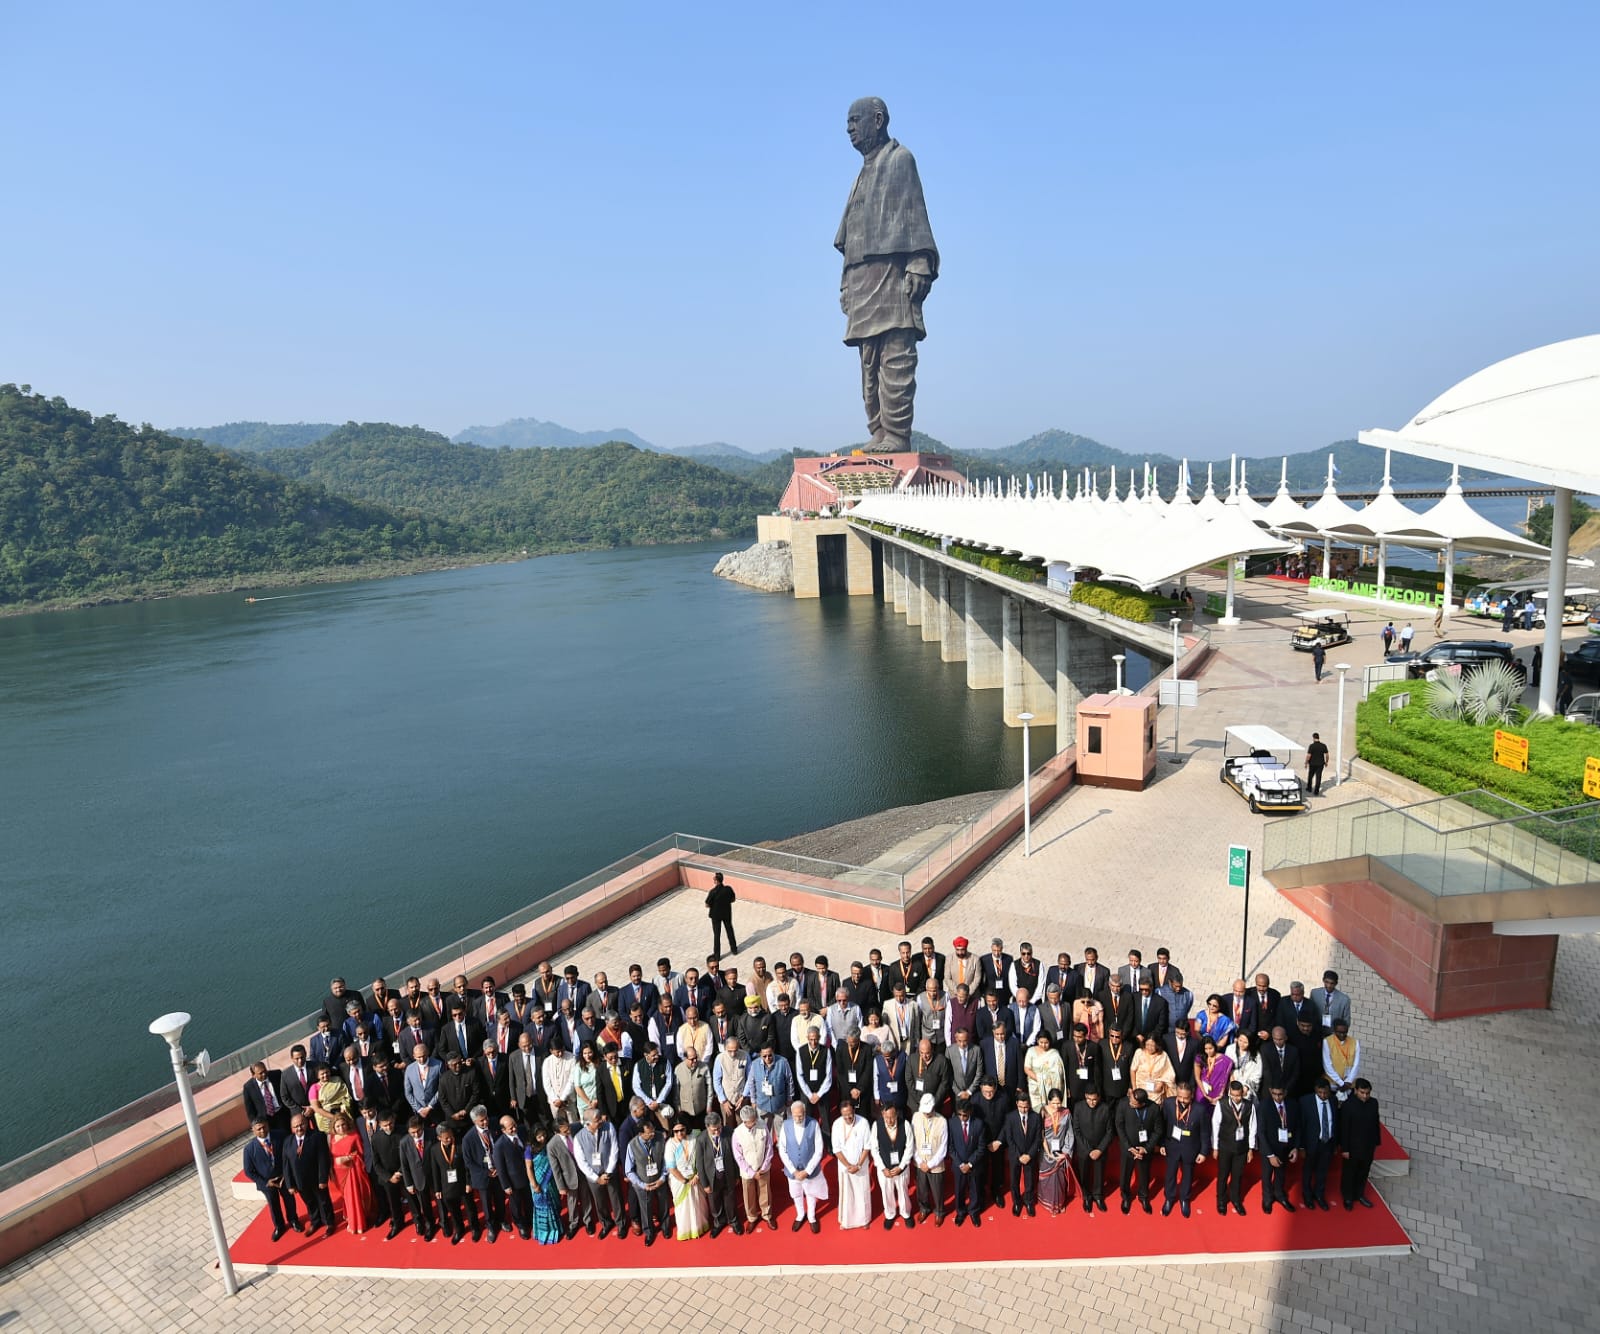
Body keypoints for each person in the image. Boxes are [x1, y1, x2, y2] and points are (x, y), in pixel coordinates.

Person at [836, 95, 939, 450]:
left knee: (895, 353)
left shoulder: (900, 161)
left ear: (877, 120)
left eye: (855, 120)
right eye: (847, 122)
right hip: (862, 278)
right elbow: (848, 235)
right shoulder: (860, 175)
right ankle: (879, 430)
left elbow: (915, 215)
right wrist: (846, 283)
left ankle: (896, 433)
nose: (849, 127)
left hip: (892, 275)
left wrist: (919, 262)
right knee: (869, 362)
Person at [243, 1118, 298, 1241]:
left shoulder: (281, 1136)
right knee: (273, 1204)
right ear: (253, 1130)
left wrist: (287, 1174)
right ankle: (279, 1226)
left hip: (284, 1177)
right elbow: (248, 1171)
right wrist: (265, 1182)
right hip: (267, 1183)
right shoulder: (249, 1149)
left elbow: (290, 1155)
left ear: (268, 1126)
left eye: (264, 1127)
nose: (262, 1130)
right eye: (259, 1129)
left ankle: (293, 1220)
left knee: (289, 1199)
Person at [778, 1099, 828, 1233]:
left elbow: (819, 1149)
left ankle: (811, 1216)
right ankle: (800, 1214)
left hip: (809, 1170)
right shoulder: (786, 1125)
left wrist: (808, 1170)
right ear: (791, 1114)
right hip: (792, 1171)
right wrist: (793, 1171)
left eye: (800, 1115)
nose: (798, 1118)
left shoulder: (814, 1124)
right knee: (796, 1193)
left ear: (805, 1113)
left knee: (811, 1192)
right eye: (795, 1116)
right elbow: (782, 1149)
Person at [283, 1112, 335, 1236]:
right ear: (292, 1128)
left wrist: (323, 1179)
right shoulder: (288, 1141)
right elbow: (286, 1165)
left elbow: (323, 1159)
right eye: (296, 1126)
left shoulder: (317, 1136)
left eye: (301, 1125)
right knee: (309, 1202)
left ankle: (329, 1222)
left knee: (323, 1201)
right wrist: (290, 1184)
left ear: (307, 1124)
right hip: (300, 1181)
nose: (299, 1128)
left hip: (316, 1179)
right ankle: (315, 1221)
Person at [575, 1108, 624, 1241]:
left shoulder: (609, 1127)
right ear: (588, 1123)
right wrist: (596, 1178)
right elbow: (581, 1162)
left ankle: (621, 1224)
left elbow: (614, 1149)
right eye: (597, 1121)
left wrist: (608, 1171)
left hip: (609, 1171)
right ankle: (606, 1223)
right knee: (600, 1202)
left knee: (616, 1200)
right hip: (593, 1176)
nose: (601, 1122)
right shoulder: (579, 1137)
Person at [1159, 1083, 1207, 1217]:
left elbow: (1204, 1132)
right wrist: (1162, 1144)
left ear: (1191, 1095)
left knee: (1188, 1176)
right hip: (1171, 1146)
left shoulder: (1200, 1110)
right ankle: (1169, 1198)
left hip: (1190, 1148)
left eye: (1185, 1098)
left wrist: (1203, 1152)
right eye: (1179, 1097)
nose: (1182, 1100)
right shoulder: (1168, 1104)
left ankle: (1185, 1199)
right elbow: (1162, 1125)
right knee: (1170, 1174)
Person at [1211, 1081, 1256, 1216]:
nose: (1236, 1098)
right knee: (1223, 1175)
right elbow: (1215, 1125)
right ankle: (1221, 1200)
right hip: (1225, 1146)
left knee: (1237, 1175)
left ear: (1243, 1093)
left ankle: (1236, 1200)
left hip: (1241, 1147)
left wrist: (1251, 1148)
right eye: (1234, 1095)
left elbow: (1253, 1127)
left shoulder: (1249, 1106)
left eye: (1238, 1095)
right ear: (1230, 1093)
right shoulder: (1222, 1104)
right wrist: (1215, 1147)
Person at [695, 1111, 743, 1237]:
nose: (717, 1132)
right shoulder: (701, 1139)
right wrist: (705, 1183)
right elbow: (699, 1164)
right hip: (712, 1177)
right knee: (714, 1203)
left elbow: (735, 1156)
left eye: (719, 1128)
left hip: (728, 1174)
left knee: (730, 1200)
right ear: (707, 1127)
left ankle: (733, 1221)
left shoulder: (729, 1132)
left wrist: (737, 1175)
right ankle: (718, 1223)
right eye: (714, 1130)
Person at [625, 1116, 671, 1246]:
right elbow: (628, 1170)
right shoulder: (632, 1145)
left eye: (653, 1130)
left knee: (664, 1204)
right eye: (649, 1133)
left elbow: (666, 1161)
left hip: (659, 1180)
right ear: (640, 1134)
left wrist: (662, 1178)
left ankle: (665, 1227)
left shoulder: (660, 1138)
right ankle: (649, 1232)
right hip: (643, 1183)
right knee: (645, 1209)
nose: (652, 1134)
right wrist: (641, 1184)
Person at [1116, 1088, 1163, 1214]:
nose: (1130, 1104)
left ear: (1143, 1103)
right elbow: (1119, 1126)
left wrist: (1147, 1148)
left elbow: (1158, 1130)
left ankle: (1143, 1197)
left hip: (1144, 1149)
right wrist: (1128, 1146)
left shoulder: (1154, 1108)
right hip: (1128, 1147)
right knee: (1125, 1174)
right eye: (1131, 1100)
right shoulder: (1123, 1104)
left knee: (1144, 1174)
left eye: (1134, 1103)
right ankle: (1125, 1197)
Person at [732, 1103, 777, 1232]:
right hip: (747, 1172)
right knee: (748, 1195)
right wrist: (751, 1172)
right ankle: (752, 1217)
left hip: (763, 1168)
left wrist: (763, 1166)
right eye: (752, 1121)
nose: (755, 1122)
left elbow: (769, 1147)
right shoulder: (737, 1133)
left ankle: (767, 1215)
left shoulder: (762, 1125)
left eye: (755, 1119)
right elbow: (738, 1157)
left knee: (765, 1193)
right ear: (745, 1122)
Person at [1339, 1078, 1382, 1209]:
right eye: (1362, 1092)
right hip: (1352, 1148)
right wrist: (1345, 1149)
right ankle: (1347, 1197)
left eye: (1367, 1093)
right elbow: (1344, 1129)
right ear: (1356, 1090)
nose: (1365, 1096)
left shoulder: (1373, 1103)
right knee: (1349, 1172)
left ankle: (1359, 1194)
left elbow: (1376, 1123)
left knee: (1364, 1171)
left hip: (1368, 1146)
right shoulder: (1348, 1106)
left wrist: (1376, 1141)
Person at [871, 1102, 914, 1230]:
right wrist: (882, 1167)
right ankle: (890, 1214)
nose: (889, 1120)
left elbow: (910, 1148)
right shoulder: (876, 1126)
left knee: (903, 1192)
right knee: (886, 1192)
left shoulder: (905, 1125)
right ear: (883, 1115)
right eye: (887, 1117)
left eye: (892, 1117)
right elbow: (874, 1149)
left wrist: (901, 1166)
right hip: (884, 1169)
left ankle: (906, 1213)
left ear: (896, 1114)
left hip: (901, 1168)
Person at [664, 1120, 709, 1240]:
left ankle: (701, 1226)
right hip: (680, 1181)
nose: (679, 1133)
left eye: (682, 1130)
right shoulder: (670, 1145)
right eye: (676, 1131)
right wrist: (685, 1181)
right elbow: (671, 1168)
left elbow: (702, 1157)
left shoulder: (694, 1137)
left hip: (696, 1178)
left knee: (699, 1203)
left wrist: (698, 1175)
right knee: (683, 1207)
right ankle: (686, 1231)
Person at [1258, 1084, 1299, 1214]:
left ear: (1285, 1093)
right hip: (1269, 1148)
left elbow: (1298, 1127)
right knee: (1267, 1175)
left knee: (1281, 1174)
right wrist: (1270, 1155)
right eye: (1274, 1094)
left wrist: (1295, 1147)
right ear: (1270, 1091)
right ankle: (1267, 1199)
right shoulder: (1264, 1106)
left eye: (1280, 1094)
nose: (1277, 1097)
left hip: (1285, 1146)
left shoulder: (1292, 1105)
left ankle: (1280, 1195)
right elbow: (1261, 1132)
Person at [1071, 1087, 1114, 1212]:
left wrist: (1100, 1149)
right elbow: (1076, 1130)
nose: (1091, 1102)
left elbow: (1110, 1131)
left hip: (1100, 1148)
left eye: (1094, 1099)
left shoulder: (1105, 1108)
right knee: (1084, 1173)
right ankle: (1086, 1196)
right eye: (1089, 1099)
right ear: (1085, 1096)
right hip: (1084, 1149)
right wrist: (1089, 1150)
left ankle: (1098, 1196)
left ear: (1099, 1097)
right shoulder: (1078, 1107)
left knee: (1099, 1173)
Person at [1300, 1078, 1340, 1210]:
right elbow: (1301, 1126)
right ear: (1315, 1091)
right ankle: (1307, 1195)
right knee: (1308, 1170)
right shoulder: (1306, 1102)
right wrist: (1301, 1146)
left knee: (1323, 1171)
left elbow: (1335, 1122)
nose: (1323, 1096)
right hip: (1312, 1143)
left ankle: (1319, 1195)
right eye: (1320, 1093)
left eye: (1325, 1093)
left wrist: (1335, 1144)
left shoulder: (1333, 1100)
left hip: (1327, 1142)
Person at [1002, 1091, 1043, 1217]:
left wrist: (1029, 1155)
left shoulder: (1036, 1117)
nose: (1023, 1109)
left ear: (1029, 1105)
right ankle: (1017, 1202)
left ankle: (1029, 1202)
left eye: (1026, 1106)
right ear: (1016, 1104)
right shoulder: (1010, 1117)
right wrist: (1019, 1155)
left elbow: (1038, 1139)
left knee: (1029, 1180)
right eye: (1021, 1106)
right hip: (1015, 1155)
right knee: (1014, 1180)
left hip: (1030, 1155)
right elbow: (1009, 1138)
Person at [1036, 1090, 1076, 1215]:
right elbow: (1040, 1134)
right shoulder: (1042, 1112)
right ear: (1049, 1101)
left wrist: (1065, 1152)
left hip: (1061, 1150)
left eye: (1059, 1103)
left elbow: (1070, 1133)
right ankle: (1048, 1202)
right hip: (1046, 1151)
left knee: (1059, 1179)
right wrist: (1048, 1153)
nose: (1057, 1106)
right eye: (1054, 1103)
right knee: (1047, 1178)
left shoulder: (1066, 1113)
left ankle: (1059, 1203)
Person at [911, 1092, 948, 1225]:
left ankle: (939, 1211)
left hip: (936, 1165)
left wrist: (931, 1164)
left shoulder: (942, 1121)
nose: (926, 1114)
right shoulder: (916, 1117)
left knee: (937, 1191)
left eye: (928, 1111)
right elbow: (912, 1141)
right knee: (921, 1190)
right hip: (919, 1163)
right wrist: (920, 1161)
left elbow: (943, 1147)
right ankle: (924, 1209)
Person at [523, 1127, 564, 1244]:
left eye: (544, 1135)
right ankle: (544, 1233)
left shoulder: (548, 1145)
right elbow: (529, 1168)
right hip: (538, 1183)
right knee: (542, 1209)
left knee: (554, 1206)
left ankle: (557, 1229)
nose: (543, 1138)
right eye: (539, 1136)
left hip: (550, 1182)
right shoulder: (529, 1149)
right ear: (533, 1137)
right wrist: (535, 1185)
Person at [948, 1099, 986, 1226]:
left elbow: (981, 1148)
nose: (962, 1118)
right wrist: (960, 1164)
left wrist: (969, 1164)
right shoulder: (952, 1123)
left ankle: (974, 1211)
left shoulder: (979, 1124)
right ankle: (960, 1212)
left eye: (965, 1115)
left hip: (974, 1165)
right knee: (959, 1190)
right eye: (959, 1114)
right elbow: (951, 1148)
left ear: (970, 1112)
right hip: (958, 1165)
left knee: (975, 1189)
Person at [1023, 1031, 1066, 1112]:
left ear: (1050, 1041)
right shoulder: (1031, 1051)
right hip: (1035, 1087)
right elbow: (1027, 1068)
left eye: (1046, 1042)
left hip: (1051, 1088)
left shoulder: (1054, 1053)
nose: (1043, 1045)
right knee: (1038, 1111)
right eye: (1041, 1042)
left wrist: (1047, 1079)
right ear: (1037, 1041)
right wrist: (1040, 1079)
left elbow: (1058, 1071)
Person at [1323, 1019, 1362, 1101]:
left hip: (1348, 1084)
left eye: (1345, 1032)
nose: (1342, 1035)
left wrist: (1348, 1081)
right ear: (1334, 1031)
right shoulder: (1327, 1042)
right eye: (1339, 1032)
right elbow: (1327, 1065)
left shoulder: (1355, 1043)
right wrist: (1341, 1083)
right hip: (1332, 1084)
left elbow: (1356, 1064)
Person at [1130, 1036, 1175, 1104]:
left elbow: (1170, 1074)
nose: (1149, 1048)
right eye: (1147, 1044)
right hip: (1140, 1087)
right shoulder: (1139, 1052)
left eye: (1152, 1045)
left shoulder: (1163, 1055)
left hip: (1155, 1090)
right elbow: (1133, 1070)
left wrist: (1161, 1083)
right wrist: (1134, 1088)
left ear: (1157, 1045)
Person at [1194, 1037, 1233, 1109]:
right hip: (1203, 1090)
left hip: (1218, 1092)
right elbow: (1197, 1077)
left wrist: (1221, 1094)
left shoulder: (1224, 1060)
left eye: (1210, 1048)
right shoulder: (1200, 1058)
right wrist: (1204, 1094)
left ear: (1215, 1047)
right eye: (1206, 1049)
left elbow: (1225, 1078)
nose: (1208, 1051)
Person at [705, 872, 738, 958]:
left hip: (716, 916)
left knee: (717, 935)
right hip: (726, 913)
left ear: (716, 881)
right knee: (730, 931)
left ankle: (717, 955)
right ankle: (734, 949)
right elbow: (733, 899)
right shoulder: (728, 889)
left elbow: (707, 904)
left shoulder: (713, 892)